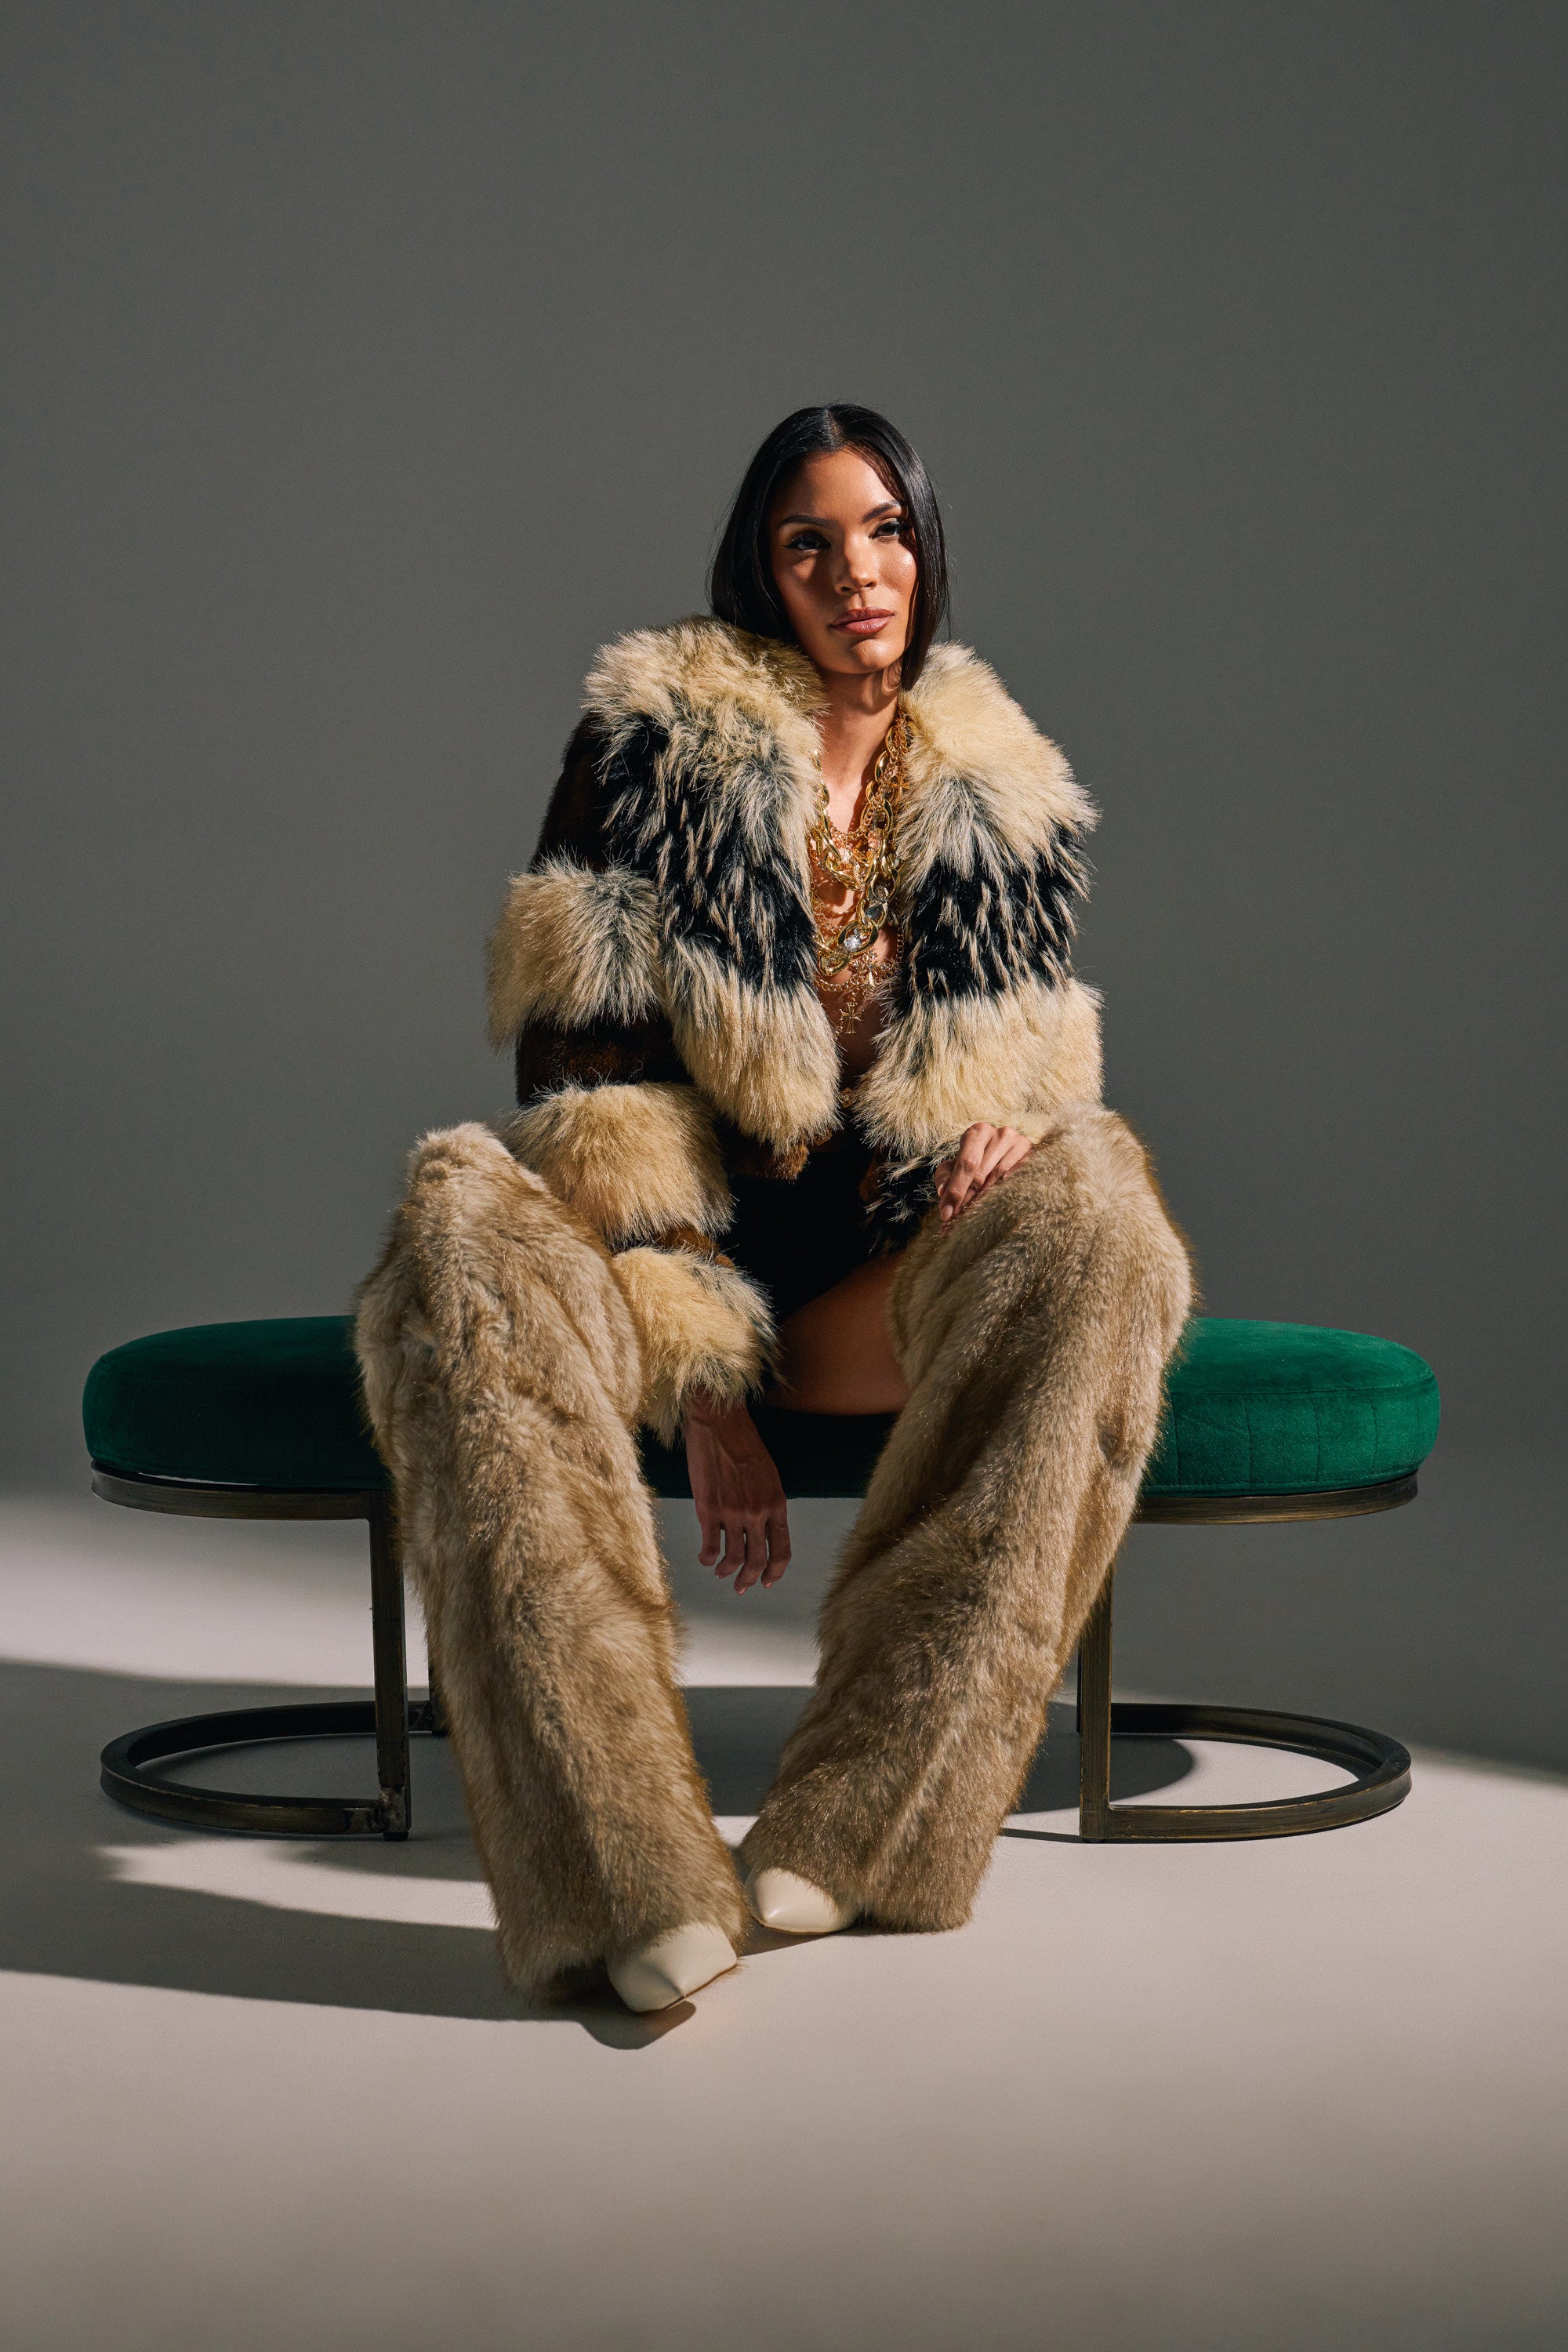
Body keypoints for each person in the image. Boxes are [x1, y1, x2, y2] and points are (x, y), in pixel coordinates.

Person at [357, 405, 1193, 2013]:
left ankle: (863, 1833)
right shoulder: (652, 739)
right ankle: (622, 1890)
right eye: (809, 542)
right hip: (639, 1270)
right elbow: (583, 1061)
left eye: (882, 529)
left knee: (1102, 1200)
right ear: (764, 567)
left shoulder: (999, 783)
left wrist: (1005, 1131)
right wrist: (703, 1377)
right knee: (456, 1212)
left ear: (922, 545)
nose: (854, 571)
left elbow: (1026, 1048)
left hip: (869, 1284)